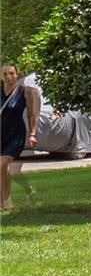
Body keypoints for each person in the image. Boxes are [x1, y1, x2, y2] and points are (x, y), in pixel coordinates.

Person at [1, 62, 40, 211]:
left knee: (2, 166)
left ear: (17, 74)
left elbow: (32, 115)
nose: (8, 77)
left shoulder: (24, 92)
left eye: (11, 73)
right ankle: (29, 190)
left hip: (16, 134)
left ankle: (6, 202)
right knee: (10, 172)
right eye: (5, 74)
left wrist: (33, 134)